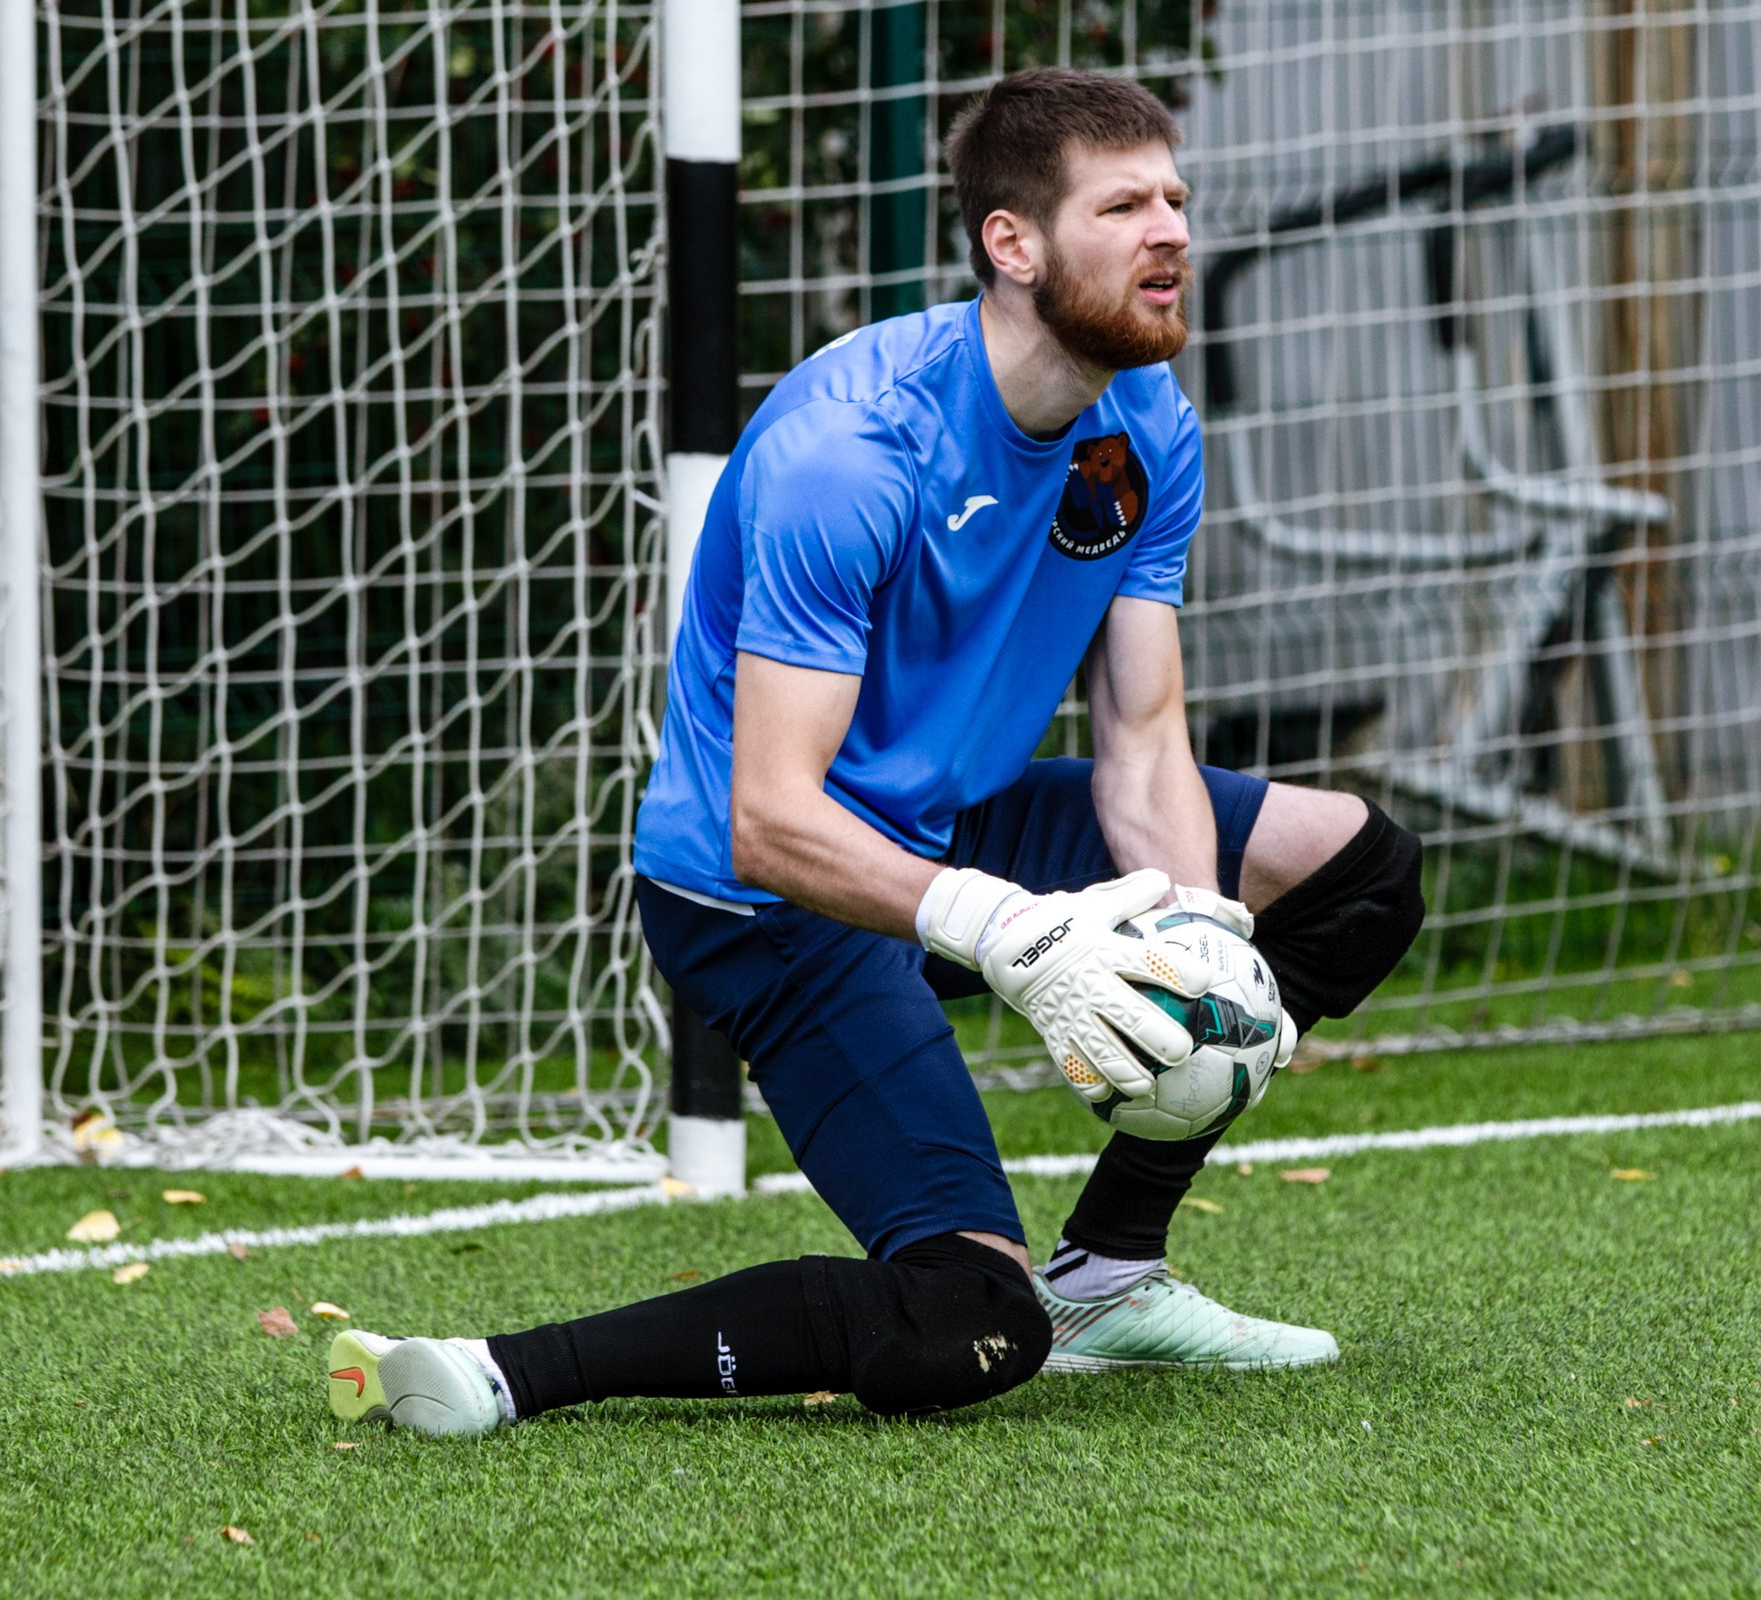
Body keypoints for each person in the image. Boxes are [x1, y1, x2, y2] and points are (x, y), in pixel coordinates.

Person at [324, 67, 1424, 1436]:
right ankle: (499, 1371)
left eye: (1178, 200)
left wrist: (1199, 938)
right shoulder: (852, 452)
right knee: (967, 1323)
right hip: (768, 899)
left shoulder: (1149, 421)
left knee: (1356, 867)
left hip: (949, 827)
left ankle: (1110, 1274)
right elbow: (767, 818)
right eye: (1126, 204)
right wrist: (1010, 930)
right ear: (1011, 244)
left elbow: (1141, 738)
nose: (1172, 233)